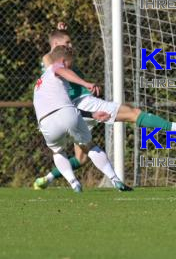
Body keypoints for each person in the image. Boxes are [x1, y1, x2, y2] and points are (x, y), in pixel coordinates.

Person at [34, 26, 176, 189]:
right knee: (133, 113)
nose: (71, 45)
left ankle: (47, 179)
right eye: (67, 42)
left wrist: (58, 28)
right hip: (79, 103)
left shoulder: (59, 58)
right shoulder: (51, 59)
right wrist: (85, 84)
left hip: (73, 110)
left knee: (81, 158)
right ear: (56, 43)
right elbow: (56, 66)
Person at [33, 46, 131, 192]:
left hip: (45, 123)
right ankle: (115, 179)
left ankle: (74, 183)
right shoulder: (57, 66)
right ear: (64, 61)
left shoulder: (40, 83)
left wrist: (92, 115)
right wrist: (86, 83)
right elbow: (61, 70)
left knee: (58, 152)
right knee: (89, 146)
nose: (70, 67)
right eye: (70, 64)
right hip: (67, 113)